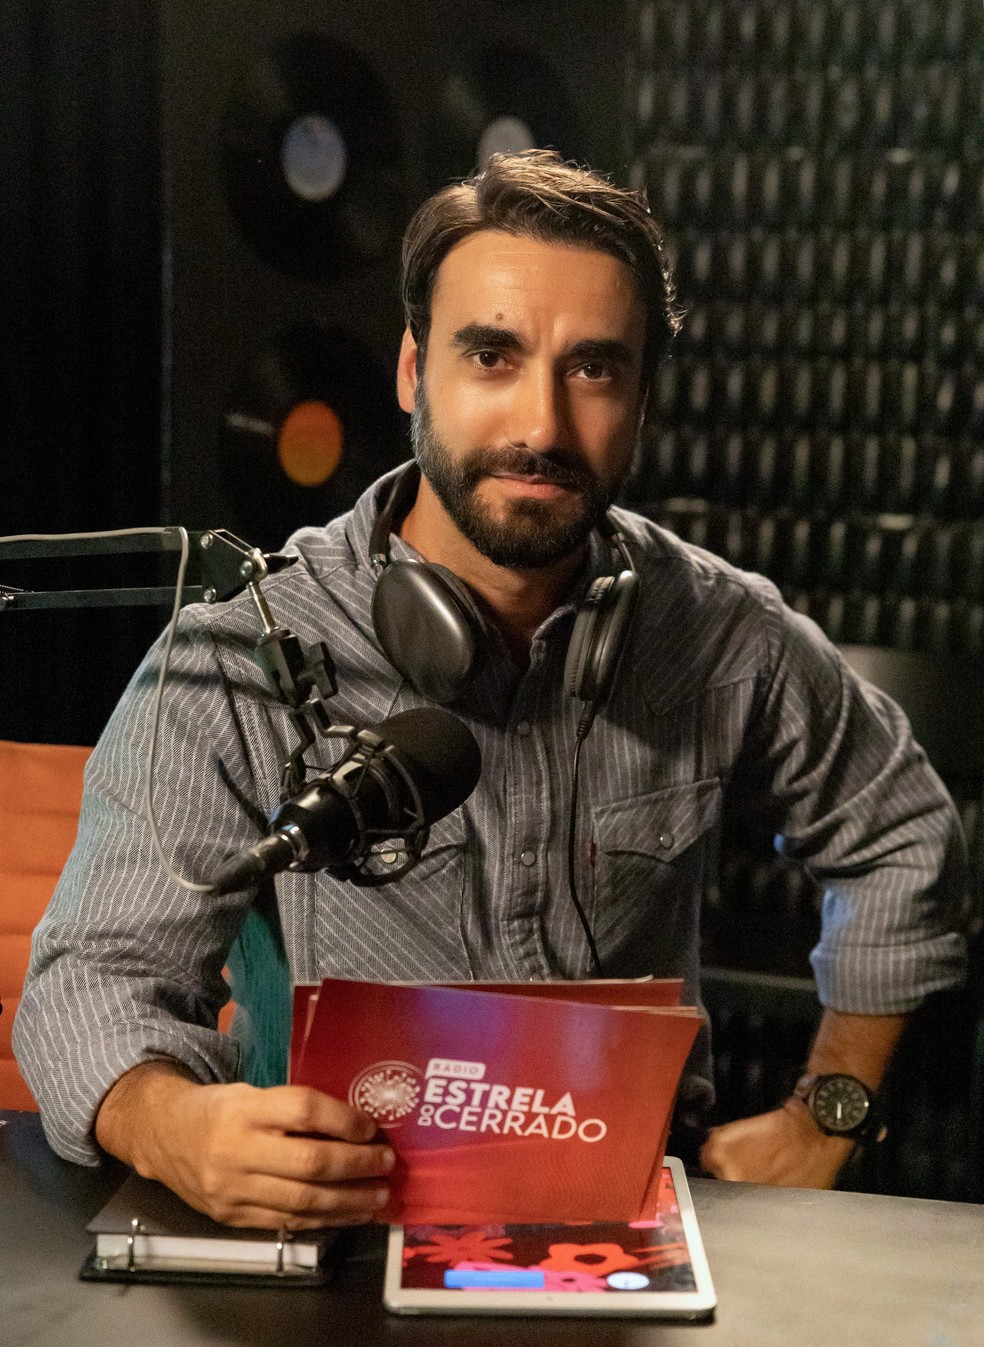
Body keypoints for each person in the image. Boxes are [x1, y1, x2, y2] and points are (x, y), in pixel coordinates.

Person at [15, 151, 971, 1230]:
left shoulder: (718, 631)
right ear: (416, 373)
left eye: (595, 370)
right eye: (493, 355)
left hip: (626, 1227)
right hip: (333, 1232)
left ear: (643, 399)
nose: (543, 428)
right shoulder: (243, 655)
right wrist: (172, 1127)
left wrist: (828, 1113)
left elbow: (902, 836)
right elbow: (89, 983)